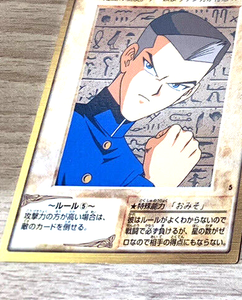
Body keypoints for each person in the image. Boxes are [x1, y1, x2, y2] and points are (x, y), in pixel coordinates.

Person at [56, 11, 230, 187]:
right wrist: (160, 183)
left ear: (186, 95)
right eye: (150, 68)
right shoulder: (61, 120)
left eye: (177, 86)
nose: (155, 91)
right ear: (128, 58)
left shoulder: (134, 171)